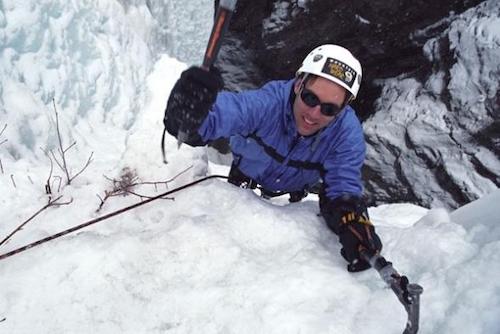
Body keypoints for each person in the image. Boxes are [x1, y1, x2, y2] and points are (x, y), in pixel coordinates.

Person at [163, 44, 382, 272]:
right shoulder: (268, 105)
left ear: (343, 108)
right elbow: (226, 113)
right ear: (299, 84)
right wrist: (188, 113)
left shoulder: (346, 133)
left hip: (292, 197)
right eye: (309, 98)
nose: (314, 114)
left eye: (329, 109)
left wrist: (353, 222)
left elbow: (343, 184)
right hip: (242, 183)